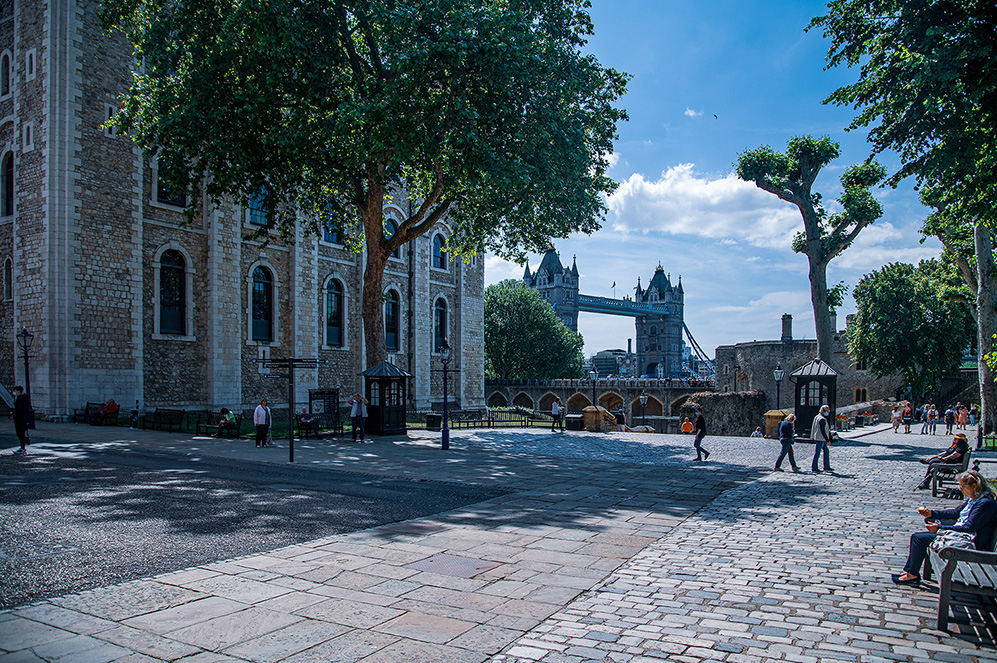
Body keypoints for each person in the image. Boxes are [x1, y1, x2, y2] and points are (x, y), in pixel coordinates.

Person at [892, 470, 997, 585]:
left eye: (962, 486)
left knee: (919, 539)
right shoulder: (974, 499)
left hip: (971, 543)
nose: (960, 489)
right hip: (962, 536)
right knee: (919, 538)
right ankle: (910, 573)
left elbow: (969, 527)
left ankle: (912, 575)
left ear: (974, 486)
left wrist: (940, 528)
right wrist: (932, 513)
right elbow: (955, 513)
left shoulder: (985, 503)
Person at [810, 404, 833, 473]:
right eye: (828, 410)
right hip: (820, 438)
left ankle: (826, 466)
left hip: (819, 437)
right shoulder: (821, 419)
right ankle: (814, 467)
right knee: (817, 452)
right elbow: (822, 430)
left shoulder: (817, 417)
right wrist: (827, 440)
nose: (828, 412)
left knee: (826, 451)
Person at [11, 385, 30, 454]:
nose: (14, 392)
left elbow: (19, 410)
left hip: (20, 420)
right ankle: (22, 447)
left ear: (18, 391)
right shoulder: (24, 398)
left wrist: (13, 412)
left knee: (20, 434)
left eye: (15, 391)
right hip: (23, 419)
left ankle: (22, 448)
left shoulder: (19, 399)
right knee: (22, 434)